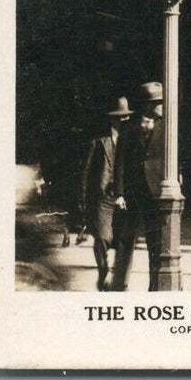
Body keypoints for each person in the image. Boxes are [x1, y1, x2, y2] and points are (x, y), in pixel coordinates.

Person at [113, 82, 165, 292]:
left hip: (156, 192)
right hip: (133, 191)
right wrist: (119, 193)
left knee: (156, 242)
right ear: (147, 105)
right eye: (157, 102)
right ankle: (119, 285)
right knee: (126, 241)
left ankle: (154, 286)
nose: (162, 105)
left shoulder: (166, 127)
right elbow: (120, 162)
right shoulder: (130, 126)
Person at [79, 96, 133, 290]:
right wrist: (83, 197)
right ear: (112, 119)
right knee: (102, 237)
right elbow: (86, 170)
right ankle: (103, 270)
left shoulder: (131, 140)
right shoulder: (99, 140)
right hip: (104, 197)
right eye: (119, 118)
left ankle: (120, 281)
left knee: (121, 240)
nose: (123, 122)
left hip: (124, 198)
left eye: (126, 118)